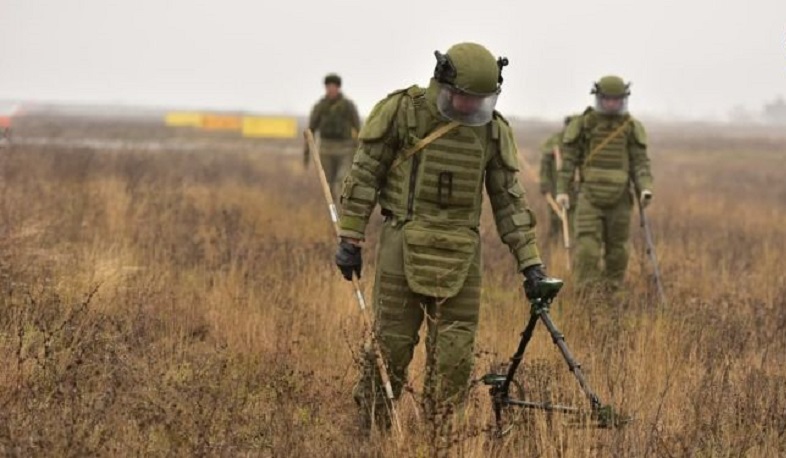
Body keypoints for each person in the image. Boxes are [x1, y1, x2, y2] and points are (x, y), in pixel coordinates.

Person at [333, 42, 547, 429]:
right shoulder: (403, 113)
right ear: (443, 83)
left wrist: (530, 264)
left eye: (478, 100)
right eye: (463, 98)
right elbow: (365, 176)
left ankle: (440, 434)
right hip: (403, 243)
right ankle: (371, 429)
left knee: (455, 355)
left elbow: (510, 202)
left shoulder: (492, 132)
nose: (469, 107)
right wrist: (350, 238)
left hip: (462, 254)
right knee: (391, 348)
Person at [555, 75, 653, 290]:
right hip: (589, 197)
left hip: (620, 199)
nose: (611, 103)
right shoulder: (584, 124)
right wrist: (562, 190)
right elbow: (569, 162)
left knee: (618, 251)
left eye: (616, 99)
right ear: (599, 98)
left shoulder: (631, 127)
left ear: (623, 99)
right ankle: (587, 291)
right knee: (588, 248)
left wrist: (645, 188)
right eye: (607, 99)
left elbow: (640, 164)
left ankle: (611, 291)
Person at [305, 73, 361, 200]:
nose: (330, 89)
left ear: (338, 87)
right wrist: (306, 153)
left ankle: (342, 210)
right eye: (328, 86)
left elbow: (358, 128)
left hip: (345, 149)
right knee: (327, 183)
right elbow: (311, 130)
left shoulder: (348, 105)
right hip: (325, 148)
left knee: (342, 180)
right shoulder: (320, 106)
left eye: (333, 86)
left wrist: (360, 149)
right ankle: (332, 210)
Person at [539, 115, 577, 243]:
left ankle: (572, 244)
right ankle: (553, 244)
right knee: (555, 216)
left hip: (577, 189)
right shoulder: (555, 142)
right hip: (556, 186)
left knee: (575, 219)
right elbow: (545, 164)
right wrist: (544, 183)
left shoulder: (581, 141)